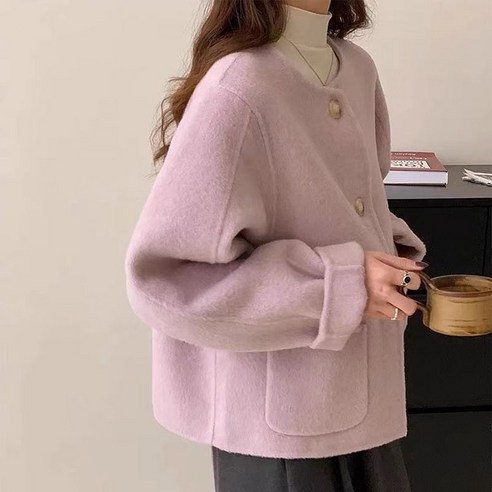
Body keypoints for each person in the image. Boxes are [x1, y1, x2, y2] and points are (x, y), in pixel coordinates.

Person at [124, 0, 429, 490]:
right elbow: (163, 280)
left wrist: (387, 256)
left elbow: (351, 202)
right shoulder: (237, 87)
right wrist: (338, 287)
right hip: (277, 435)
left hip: (368, 404)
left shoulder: (357, 69)